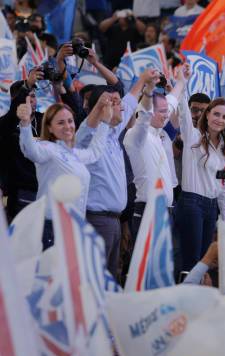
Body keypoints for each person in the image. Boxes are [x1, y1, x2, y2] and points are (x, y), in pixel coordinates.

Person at [74, 69, 157, 280]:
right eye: (116, 103)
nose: (123, 107)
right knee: (96, 281)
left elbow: (130, 99)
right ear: (105, 107)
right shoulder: (89, 135)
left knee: (111, 280)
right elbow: (87, 127)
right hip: (97, 220)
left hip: (114, 221)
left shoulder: (113, 132)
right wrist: (101, 107)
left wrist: (143, 80)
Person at [17, 95, 113, 249]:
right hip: (52, 227)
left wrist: (105, 122)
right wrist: (25, 123)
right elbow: (31, 151)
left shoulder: (74, 154)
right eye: (60, 123)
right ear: (49, 128)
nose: (68, 126)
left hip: (74, 227)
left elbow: (95, 152)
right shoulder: (47, 148)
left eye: (70, 121)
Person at [174, 66, 225, 272]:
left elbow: (224, 187)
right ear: (207, 116)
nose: (219, 119)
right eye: (216, 114)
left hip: (212, 208)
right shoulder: (193, 137)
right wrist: (182, 82)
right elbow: (183, 110)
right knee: (191, 264)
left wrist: (224, 222)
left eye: (224, 117)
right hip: (191, 204)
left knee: (203, 264)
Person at [123, 69, 185, 238]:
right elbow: (143, 116)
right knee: (146, 265)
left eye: (167, 111)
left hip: (166, 212)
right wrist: (149, 91)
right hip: (147, 213)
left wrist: (181, 81)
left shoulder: (158, 134)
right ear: (150, 111)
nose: (166, 116)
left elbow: (171, 101)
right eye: (161, 112)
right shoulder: (136, 136)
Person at [0, 70, 43, 222]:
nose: (31, 100)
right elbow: (13, 113)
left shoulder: (45, 121)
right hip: (20, 195)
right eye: (27, 96)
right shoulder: (6, 124)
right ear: (15, 99)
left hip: (46, 193)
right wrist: (27, 85)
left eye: (34, 96)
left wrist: (61, 87)